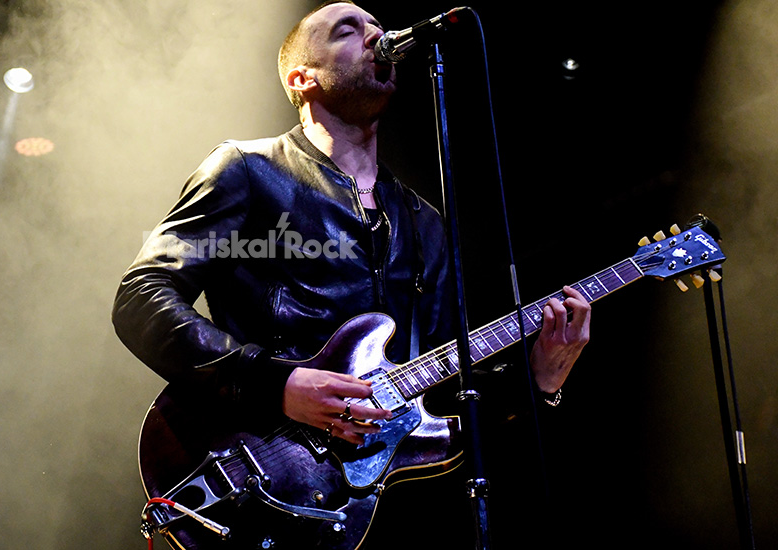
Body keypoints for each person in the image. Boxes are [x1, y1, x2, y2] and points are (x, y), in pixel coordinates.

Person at [113, 0, 590, 546]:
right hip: (252, 474)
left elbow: (443, 389)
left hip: (387, 510)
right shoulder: (248, 169)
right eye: (348, 30)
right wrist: (278, 383)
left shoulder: (425, 223)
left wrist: (537, 380)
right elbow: (142, 297)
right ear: (303, 78)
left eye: (377, 28)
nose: (375, 36)